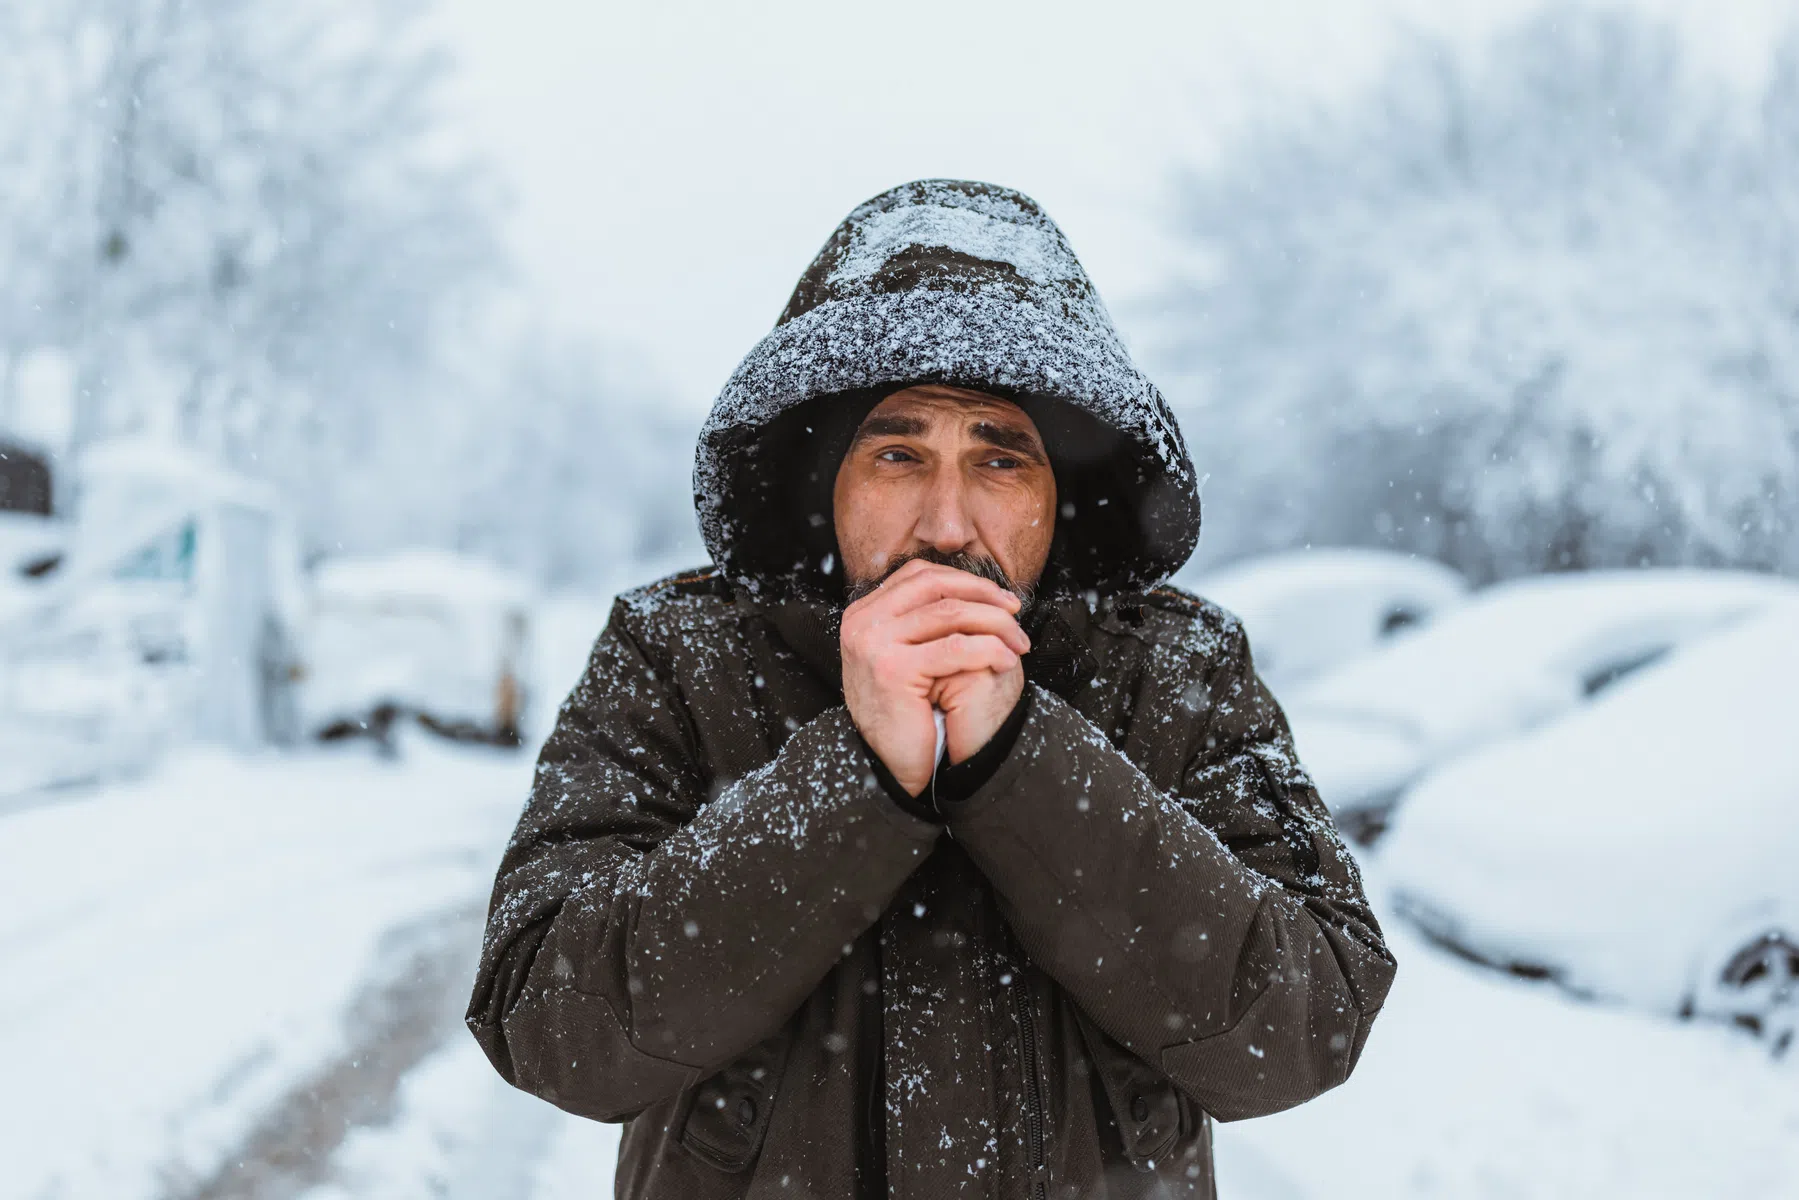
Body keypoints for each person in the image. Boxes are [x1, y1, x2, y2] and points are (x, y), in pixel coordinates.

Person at [467, 179, 1395, 1199]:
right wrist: (854, 774)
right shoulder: (677, 655)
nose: (948, 524)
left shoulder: (1175, 671)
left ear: (1061, 499)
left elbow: (1305, 1025)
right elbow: (553, 1028)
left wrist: (1018, 759)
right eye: (898, 453)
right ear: (823, 484)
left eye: (1000, 459)